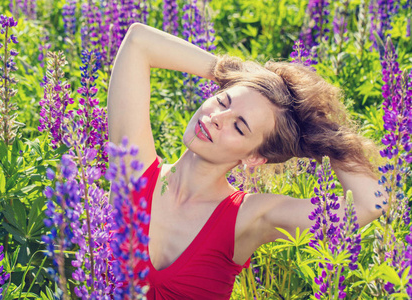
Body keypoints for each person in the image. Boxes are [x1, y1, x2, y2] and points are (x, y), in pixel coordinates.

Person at [107, 23, 385, 299]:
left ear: (254, 157)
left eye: (239, 127)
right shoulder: (133, 170)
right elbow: (138, 41)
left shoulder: (247, 217)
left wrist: (323, 135)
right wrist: (230, 71)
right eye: (223, 100)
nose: (217, 118)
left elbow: (371, 204)